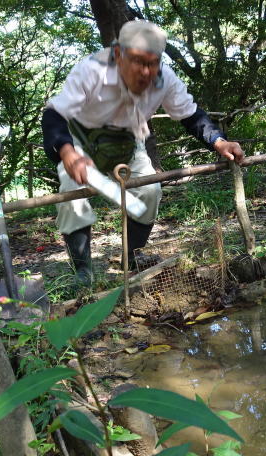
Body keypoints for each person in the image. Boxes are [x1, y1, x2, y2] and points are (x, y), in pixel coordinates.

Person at [42, 20, 245, 287]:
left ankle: (131, 256)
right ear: (118, 54)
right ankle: (82, 271)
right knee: (72, 193)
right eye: (138, 61)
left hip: (128, 141)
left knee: (150, 191)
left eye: (153, 63)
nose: (146, 72)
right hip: (81, 140)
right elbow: (54, 114)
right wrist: (68, 152)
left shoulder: (165, 78)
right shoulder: (91, 70)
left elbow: (190, 115)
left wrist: (219, 142)